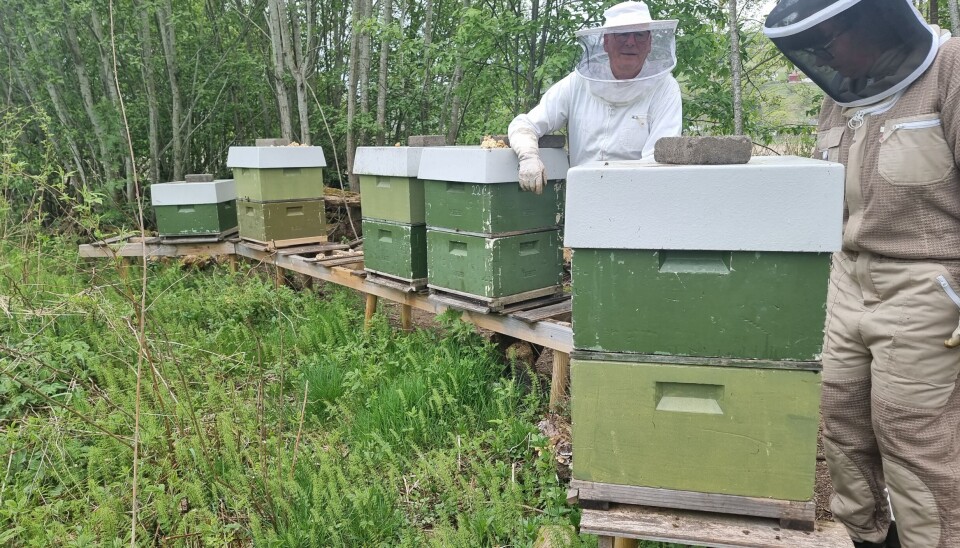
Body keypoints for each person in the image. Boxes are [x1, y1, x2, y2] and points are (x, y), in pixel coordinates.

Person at [764, 1, 960, 547]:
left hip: (928, 286)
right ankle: (870, 540)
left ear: (873, 22)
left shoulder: (951, 67)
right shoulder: (841, 96)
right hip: (849, 277)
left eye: (829, 42)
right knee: (843, 423)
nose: (824, 57)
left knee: (914, 440)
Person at [507, 1, 681, 194]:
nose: (631, 42)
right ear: (606, 41)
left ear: (649, 43)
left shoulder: (665, 88)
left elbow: (658, 160)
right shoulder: (577, 83)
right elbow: (524, 124)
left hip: (638, 199)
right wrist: (529, 157)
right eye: (622, 34)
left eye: (639, 34)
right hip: (581, 200)